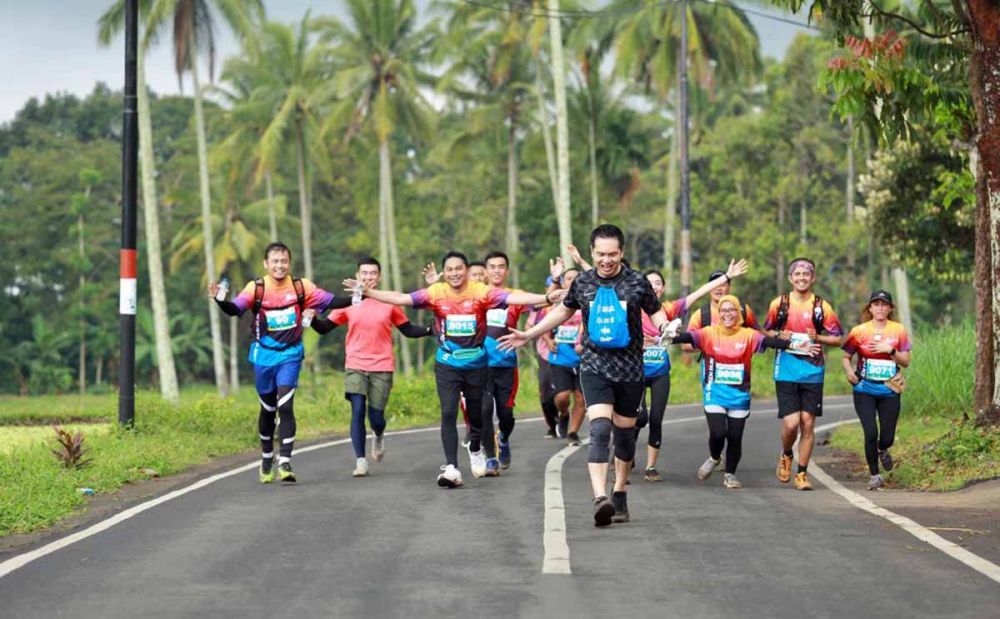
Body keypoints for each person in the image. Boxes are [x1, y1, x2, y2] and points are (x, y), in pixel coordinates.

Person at [501, 225, 744, 526]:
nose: (606, 260)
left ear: (622, 253)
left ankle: (619, 494)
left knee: (624, 436)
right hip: (594, 367)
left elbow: (657, 315)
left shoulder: (637, 282)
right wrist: (528, 333)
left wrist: (668, 328)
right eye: (601, 254)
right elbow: (562, 312)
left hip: (630, 370)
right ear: (592, 253)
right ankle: (599, 497)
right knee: (600, 430)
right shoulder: (584, 283)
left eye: (612, 254)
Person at [345, 251, 557, 488]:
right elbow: (401, 298)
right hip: (447, 363)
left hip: (476, 363)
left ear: (466, 271)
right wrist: (368, 292)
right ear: (444, 274)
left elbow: (515, 298)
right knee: (448, 412)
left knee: (477, 415)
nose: (454, 273)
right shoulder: (436, 292)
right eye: (450, 270)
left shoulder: (480, 291)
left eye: (459, 269)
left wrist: (548, 297)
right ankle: (452, 467)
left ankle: (475, 447)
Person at [209, 242, 349, 484]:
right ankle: (266, 457)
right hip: (263, 357)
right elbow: (235, 309)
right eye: (275, 261)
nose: (280, 266)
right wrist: (220, 300)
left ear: (289, 263)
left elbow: (332, 301)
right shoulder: (257, 288)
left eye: (284, 261)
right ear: (266, 263)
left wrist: (359, 295)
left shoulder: (301, 287)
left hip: (290, 354)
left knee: (285, 405)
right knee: (268, 409)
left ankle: (285, 461)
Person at [670, 295, 818, 489]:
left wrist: (795, 345)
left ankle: (730, 474)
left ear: (739, 313)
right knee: (717, 433)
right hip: (714, 392)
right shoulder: (708, 333)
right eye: (723, 310)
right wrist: (667, 335)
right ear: (719, 313)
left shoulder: (748, 335)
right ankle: (715, 457)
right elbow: (686, 338)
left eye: (732, 310)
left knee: (734, 437)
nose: (727, 314)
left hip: (739, 395)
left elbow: (770, 342)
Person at [309, 257, 432, 477]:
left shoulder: (388, 301)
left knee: (376, 416)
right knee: (357, 409)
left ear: (380, 276)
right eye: (364, 273)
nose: (368, 277)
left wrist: (431, 330)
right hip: (355, 364)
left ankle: (378, 433)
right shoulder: (348, 302)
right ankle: (360, 460)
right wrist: (313, 319)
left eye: (372, 273)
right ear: (357, 276)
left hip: (382, 364)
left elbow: (408, 330)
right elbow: (325, 328)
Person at [636, 268, 741, 481]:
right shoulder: (632, 308)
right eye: (649, 283)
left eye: (657, 282)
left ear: (663, 288)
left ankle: (650, 467)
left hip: (660, 372)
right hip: (634, 372)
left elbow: (699, 293)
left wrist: (726, 277)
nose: (653, 286)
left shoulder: (668, 309)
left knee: (656, 419)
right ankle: (623, 454)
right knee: (638, 418)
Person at [763, 257, 844, 491]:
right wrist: (780, 335)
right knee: (791, 424)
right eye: (797, 274)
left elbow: (838, 338)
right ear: (790, 278)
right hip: (786, 370)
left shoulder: (821, 307)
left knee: (807, 423)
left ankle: (802, 474)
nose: (801, 278)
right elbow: (765, 332)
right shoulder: (780, 304)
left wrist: (817, 337)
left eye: (806, 274)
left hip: (813, 371)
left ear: (813, 277)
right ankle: (787, 453)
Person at [842, 290, 911, 491]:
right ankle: (874, 475)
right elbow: (846, 357)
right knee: (870, 432)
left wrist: (889, 350)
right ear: (870, 308)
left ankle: (883, 449)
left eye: (884, 304)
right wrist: (849, 372)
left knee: (887, 436)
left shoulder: (898, 330)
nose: (880, 308)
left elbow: (906, 361)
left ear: (890, 308)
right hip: (864, 388)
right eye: (876, 304)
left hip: (890, 389)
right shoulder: (859, 331)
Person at [479, 251, 532, 474]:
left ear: (507, 270)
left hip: (506, 364)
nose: (497, 270)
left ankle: (503, 438)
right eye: (492, 266)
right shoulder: (477, 295)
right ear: (485, 271)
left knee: (506, 415)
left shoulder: (516, 296)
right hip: (480, 365)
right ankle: (490, 458)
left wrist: (556, 282)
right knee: (483, 410)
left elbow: (542, 305)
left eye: (501, 266)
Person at [542, 267, 586, 446]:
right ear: (563, 282)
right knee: (562, 396)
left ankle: (573, 432)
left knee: (581, 398)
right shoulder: (559, 301)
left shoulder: (586, 300)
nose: (572, 281)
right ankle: (564, 414)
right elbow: (544, 319)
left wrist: (583, 342)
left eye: (576, 278)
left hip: (583, 358)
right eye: (568, 278)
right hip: (560, 357)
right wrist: (547, 339)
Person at [682, 269, 760, 355]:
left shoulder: (743, 310)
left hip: (738, 366)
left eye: (722, 284)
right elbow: (686, 345)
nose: (718, 288)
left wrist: (739, 344)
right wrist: (711, 345)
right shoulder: (701, 315)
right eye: (714, 284)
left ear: (729, 287)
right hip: (711, 367)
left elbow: (758, 338)